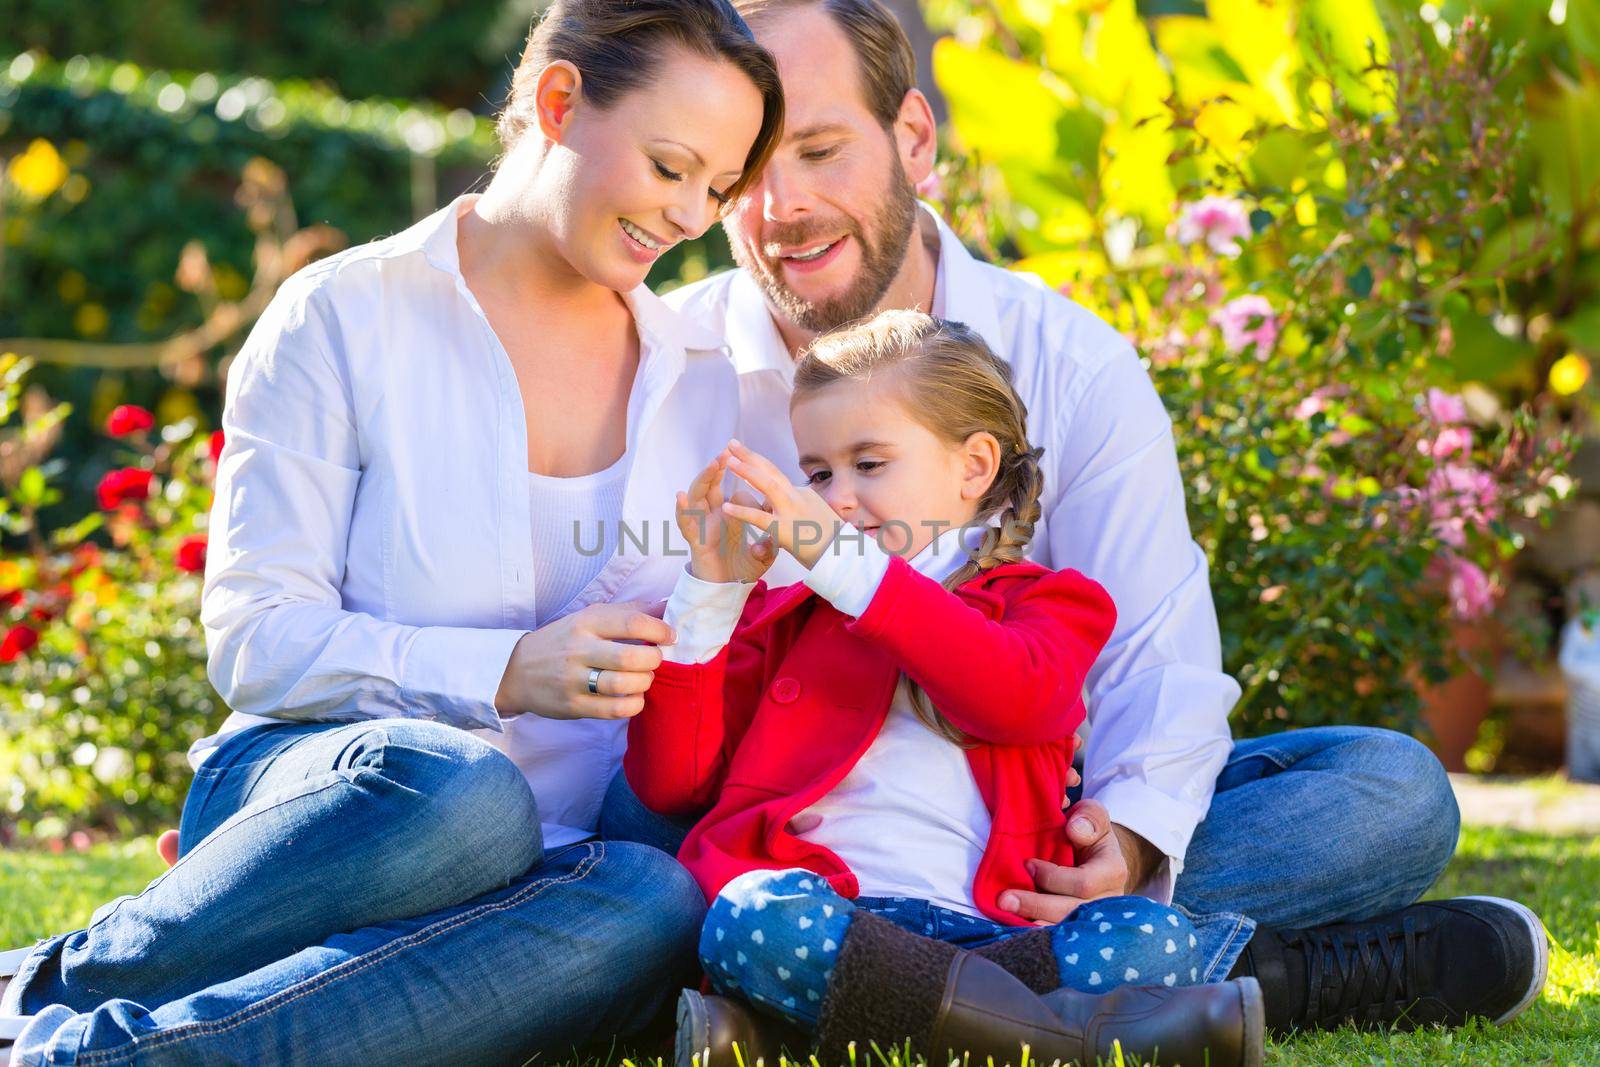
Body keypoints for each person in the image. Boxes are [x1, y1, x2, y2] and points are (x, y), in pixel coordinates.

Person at [600, 0, 1549, 1046]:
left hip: (1016, 843)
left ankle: (820, 1001)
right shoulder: (664, 360)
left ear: (912, 136)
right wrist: (703, 594)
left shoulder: (1068, 359)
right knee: (646, 856)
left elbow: (1151, 655)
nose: (783, 204)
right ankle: (1264, 984)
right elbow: (660, 742)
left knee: (1390, 790)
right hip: (774, 829)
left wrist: (1134, 841)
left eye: (821, 149)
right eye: (745, 171)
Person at [0, 2, 785, 1063]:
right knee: (465, 796)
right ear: (557, 101)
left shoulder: (698, 380)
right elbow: (257, 640)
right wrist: (501, 671)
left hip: (564, 859)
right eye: (670, 166)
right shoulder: (344, 314)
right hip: (353, 800)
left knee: (654, 894)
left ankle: (94, 1053)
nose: (691, 214)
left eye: (717, 188)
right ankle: (63, 978)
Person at [627, 311, 1265, 1067]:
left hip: (997, 932)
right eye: (819, 471)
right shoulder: (788, 614)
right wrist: (707, 595)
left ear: (974, 466)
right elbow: (674, 784)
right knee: (746, 916)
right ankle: (1063, 1042)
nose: (836, 500)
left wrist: (850, 571)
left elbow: (1012, 694)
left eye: (869, 465)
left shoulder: (1052, 602)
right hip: (837, 916)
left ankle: (796, 1035)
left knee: (1154, 940)